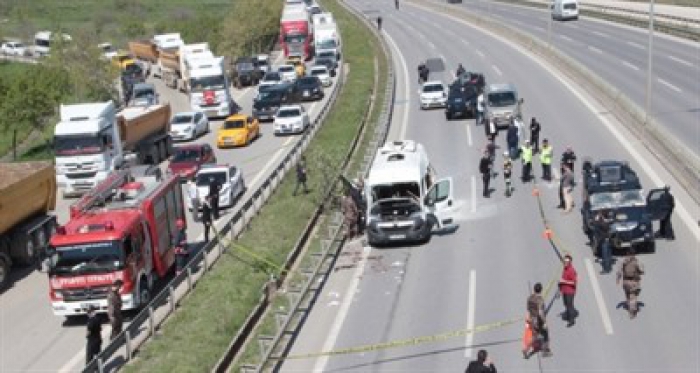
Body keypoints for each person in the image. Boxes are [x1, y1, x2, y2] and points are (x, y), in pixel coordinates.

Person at [524, 282, 552, 358]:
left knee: (534, 337)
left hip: (532, 319)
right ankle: (545, 351)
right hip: (538, 321)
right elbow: (540, 313)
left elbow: (528, 309)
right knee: (546, 335)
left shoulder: (530, 298)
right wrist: (544, 322)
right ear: (541, 290)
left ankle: (526, 349)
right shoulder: (540, 300)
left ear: (534, 289)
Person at [617, 248, 644, 318]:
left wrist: (618, 279)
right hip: (634, 282)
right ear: (634, 254)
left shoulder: (623, 261)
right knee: (633, 296)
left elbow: (619, 271)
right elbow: (642, 271)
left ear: (627, 253)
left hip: (626, 282)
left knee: (627, 295)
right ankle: (632, 311)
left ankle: (629, 306)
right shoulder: (637, 262)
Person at [559, 254, 578, 327]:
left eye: (567, 261)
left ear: (570, 262)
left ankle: (571, 320)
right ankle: (568, 314)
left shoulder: (572, 270)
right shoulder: (565, 268)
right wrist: (560, 287)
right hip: (565, 290)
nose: (565, 263)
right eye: (564, 261)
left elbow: (574, 282)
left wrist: (564, 281)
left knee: (569, 305)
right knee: (565, 304)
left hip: (570, 292)